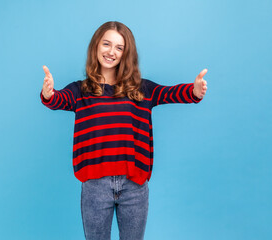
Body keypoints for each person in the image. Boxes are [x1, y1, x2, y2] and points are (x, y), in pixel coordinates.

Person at [40, 21, 207, 240]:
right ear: (96, 47)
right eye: (106, 44)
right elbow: (58, 100)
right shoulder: (80, 91)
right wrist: (49, 93)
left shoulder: (141, 89)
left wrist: (193, 90)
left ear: (126, 54)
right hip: (95, 185)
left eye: (119, 47)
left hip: (134, 185)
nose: (111, 52)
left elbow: (170, 93)